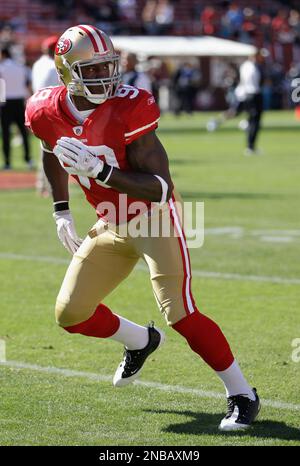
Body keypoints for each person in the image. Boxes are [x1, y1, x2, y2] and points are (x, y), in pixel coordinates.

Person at [25, 25, 260, 431]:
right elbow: (50, 148)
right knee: (71, 313)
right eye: (92, 71)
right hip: (110, 222)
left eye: (107, 67)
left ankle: (242, 394)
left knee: (180, 311)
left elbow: (161, 186)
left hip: (154, 216)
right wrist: (61, 209)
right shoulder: (44, 109)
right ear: (66, 72)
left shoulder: (130, 107)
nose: (106, 78)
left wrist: (102, 171)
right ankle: (139, 341)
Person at [207, 50, 267, 156]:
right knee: (252, 120)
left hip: (244, 94)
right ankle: (250, 145)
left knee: (237, 113)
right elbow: (255, 83)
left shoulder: (245, 66)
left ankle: (221, 121)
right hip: (252, 95)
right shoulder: (253, 67)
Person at [31, 35, 60, 197]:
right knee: (54, 152)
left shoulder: (37, 64)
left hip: (36, 108)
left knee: (44, 149)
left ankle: (42, 184)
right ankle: (50, 186)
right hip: (51, 109)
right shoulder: (53, 66)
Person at [0, 47, 32, 170]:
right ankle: (28, 159)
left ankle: (7, 162)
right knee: (23, 133)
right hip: (19, 102)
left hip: (5, 103)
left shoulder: (2, 67)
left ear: (3, 54)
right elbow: (28, 85)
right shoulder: (20, 67)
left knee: (6, 135)